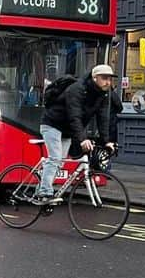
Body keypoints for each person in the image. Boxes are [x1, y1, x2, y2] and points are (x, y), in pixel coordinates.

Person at [37, 64, 117, 200]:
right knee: (55, 158)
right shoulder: (77, 89)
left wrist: (106, 141)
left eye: (110, 79)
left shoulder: (104, 94)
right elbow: (75, 116)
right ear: (95, 78)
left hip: (67, 130)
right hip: (52, 124)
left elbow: (103, 118)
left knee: (60, 162)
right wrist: (82, 139)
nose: (108, 82)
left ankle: (43, 180)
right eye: (104, 78)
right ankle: (44, 192)